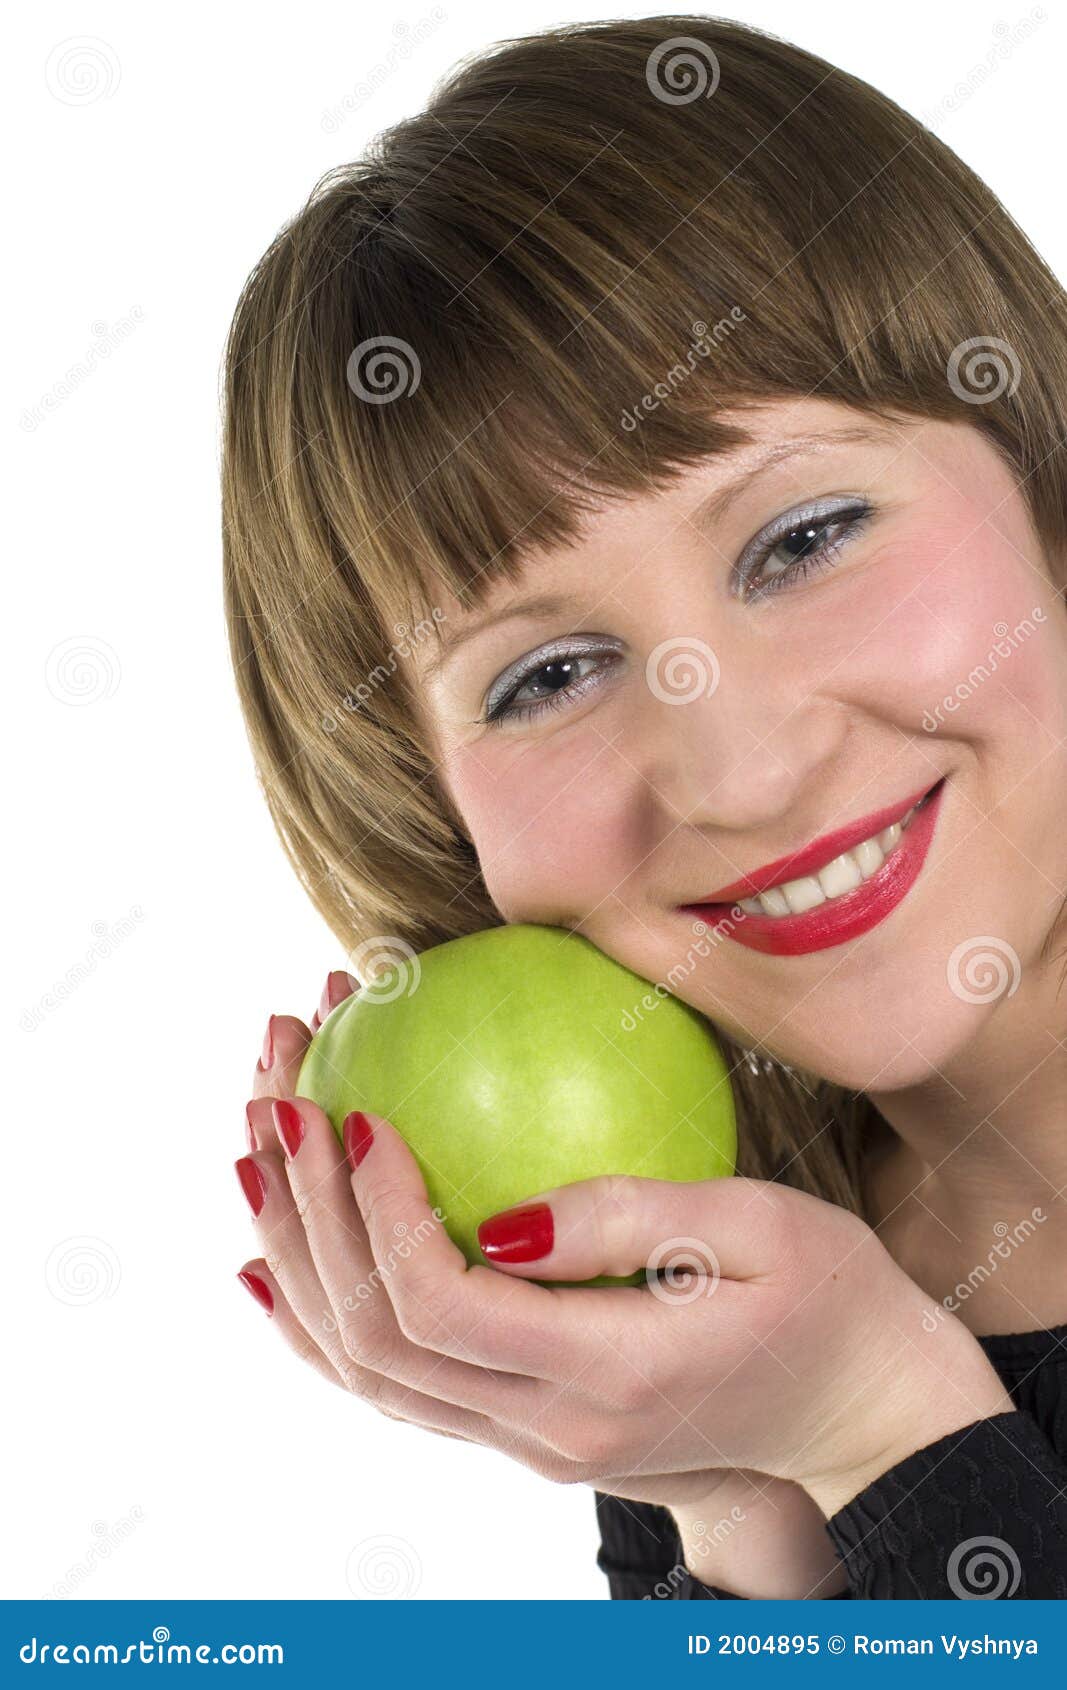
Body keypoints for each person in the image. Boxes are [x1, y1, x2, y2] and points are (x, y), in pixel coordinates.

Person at [222, 14, 1067, 1598]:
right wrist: (744, 1493)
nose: (744, 770)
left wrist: (888, 1426)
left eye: (805, 537)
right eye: (548, 675)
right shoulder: (733, 1302)